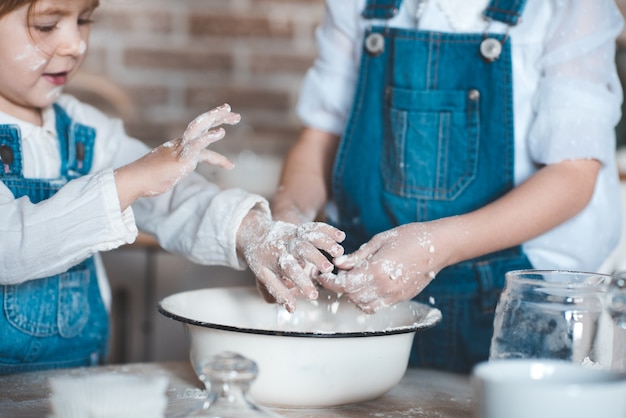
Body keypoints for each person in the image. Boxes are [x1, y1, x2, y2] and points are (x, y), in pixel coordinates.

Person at [270, 0, 624, 373]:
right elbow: (320, 139)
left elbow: (572, 176)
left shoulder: (571, 7)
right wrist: (287, 221)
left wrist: (431, 249)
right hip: (363, 301)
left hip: (510, 309)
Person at [0, 0, 345, 374]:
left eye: (83, 21)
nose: (75, 44)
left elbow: (173, 199)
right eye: (47, 25)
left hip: (75, 375)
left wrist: (252, 232)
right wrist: (132, 178)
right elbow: (11, 245)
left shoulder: (86, 130)